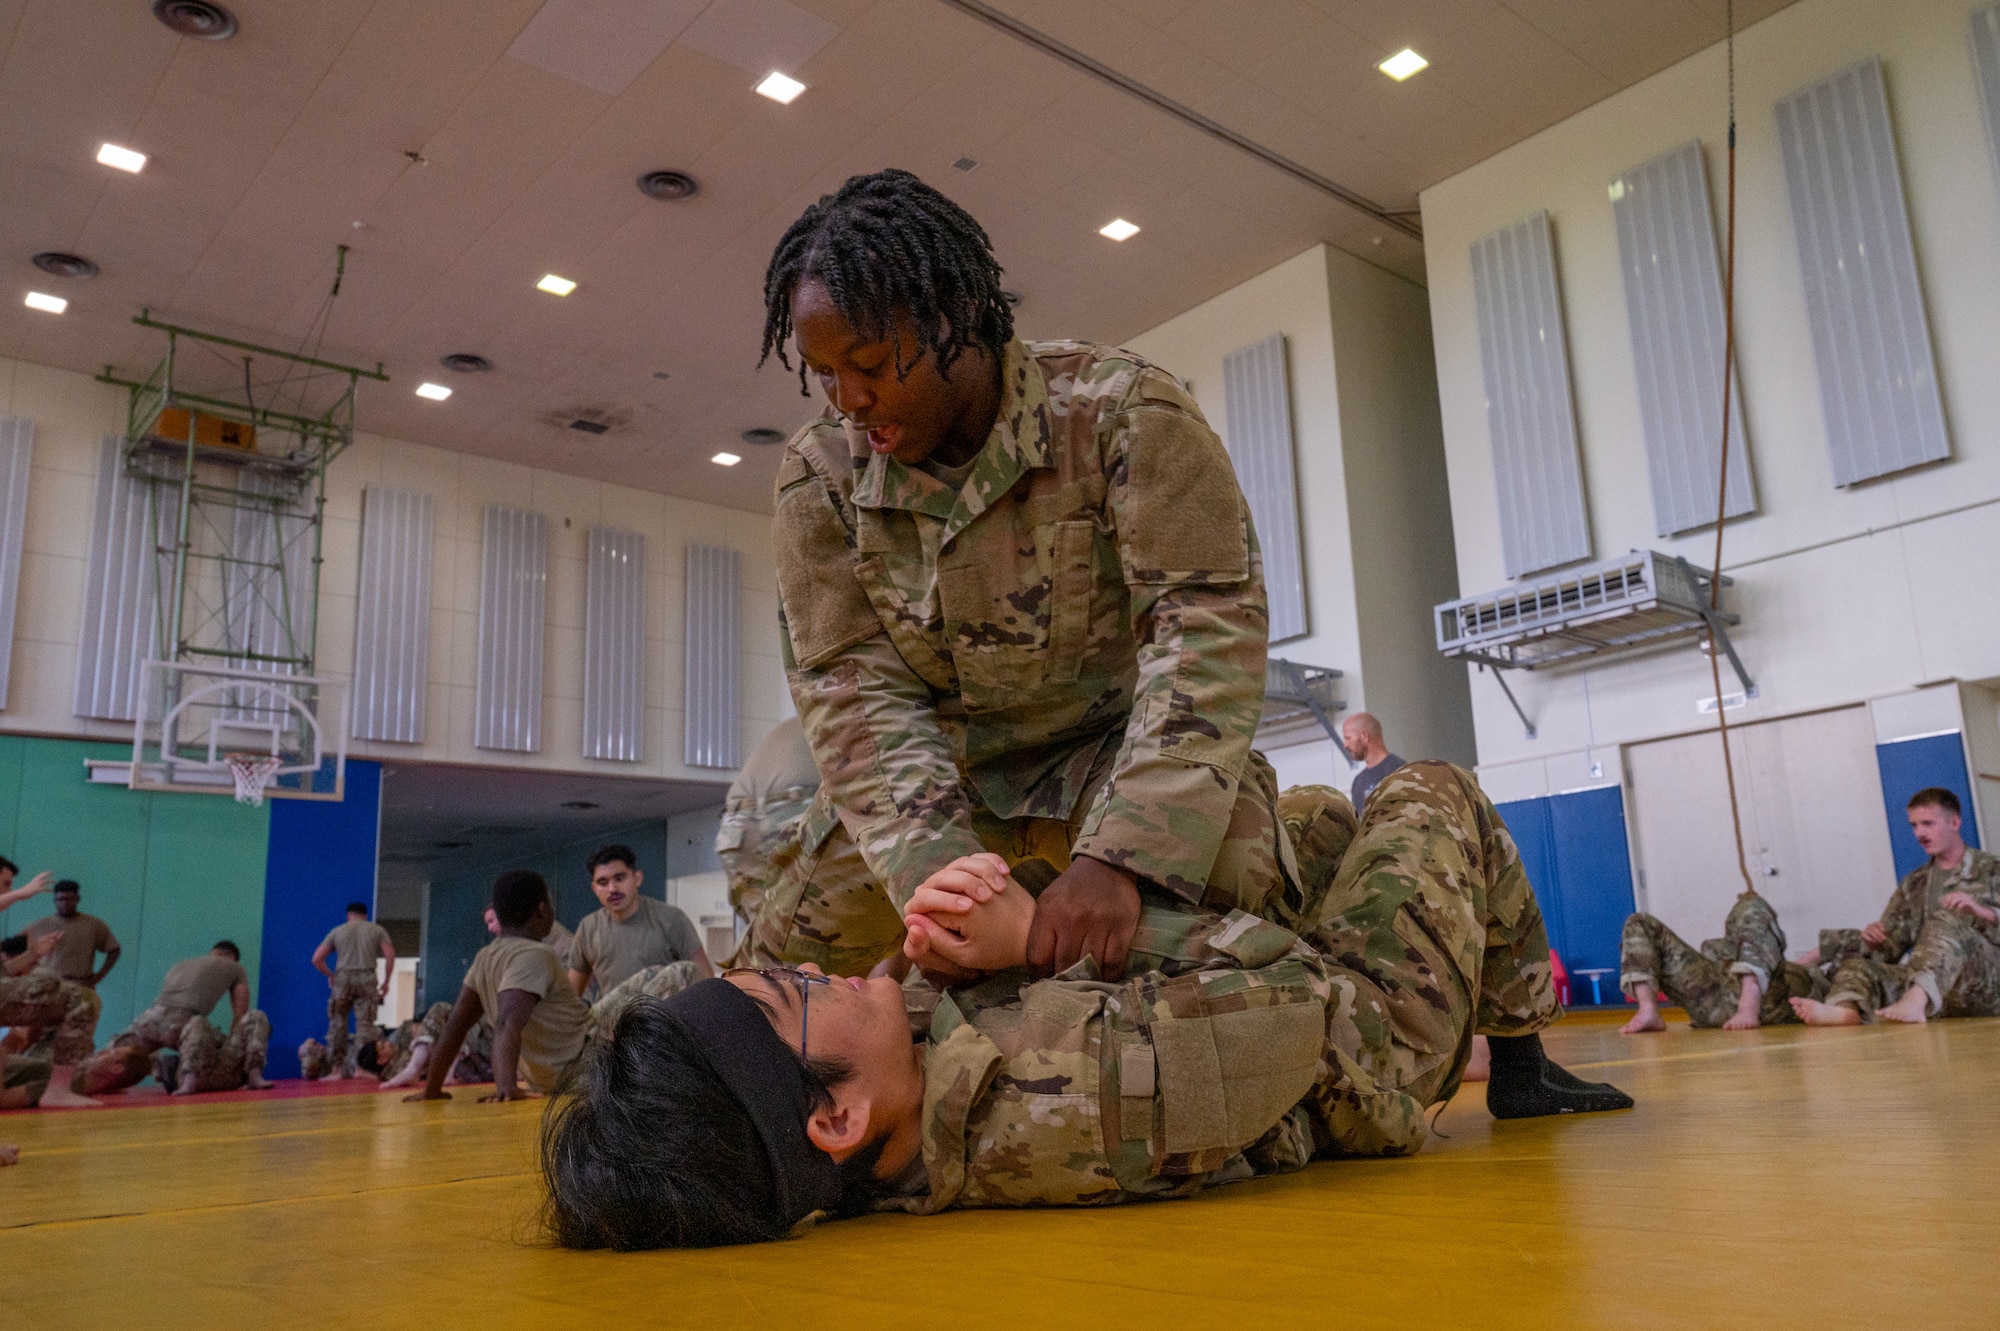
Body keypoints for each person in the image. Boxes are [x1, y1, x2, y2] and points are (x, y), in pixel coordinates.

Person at [539, 762, 1633, 1250]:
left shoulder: (887, 1118)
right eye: (798, 990)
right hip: (1359, 1045)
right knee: (1427, 790)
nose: (819, 970)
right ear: (835, 1116)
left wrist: (941, 960)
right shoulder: (1069, 1091)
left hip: (1267, 1013)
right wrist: (1034, 936)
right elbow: (1295, 991)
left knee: (1307, 814)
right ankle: (1518, 1057)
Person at [745, 168, 1281, 984]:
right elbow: (855, 699)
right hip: (943, 780)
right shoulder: (820, 477)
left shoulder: (1125, 412)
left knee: (1237, 903)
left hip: (1112, 756)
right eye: (823, 372)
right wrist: (946, 883)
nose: (847, 399)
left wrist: (1123, 854)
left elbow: (1206, 635)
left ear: (954, 316)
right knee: (779, 982)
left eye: (868, 362)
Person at [1791, 788, 2000, 1026]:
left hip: (1986, 986)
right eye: (1914, 825)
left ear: (1954, 822)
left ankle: (1916, 1001)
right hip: (1937, 989)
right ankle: (1845, 1010)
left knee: (1948, 919)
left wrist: (1983, 912)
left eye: (1928, 824)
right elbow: (1890, 948)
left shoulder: (1992, 870)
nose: (1920, 833)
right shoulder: (1915, 883)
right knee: (1858, 966)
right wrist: (1874, 939)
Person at [408, 870, 589, 1104]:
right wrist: (506, 1087)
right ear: (543, 909)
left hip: (550, 1081)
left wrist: (431, 1089)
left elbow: (456, 1025)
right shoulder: (538, 953)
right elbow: (507, 1021)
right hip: (588, 1067)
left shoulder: (486, 956)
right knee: (638, 984)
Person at [74, 941, 272, 1095]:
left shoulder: (182, 964)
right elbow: (240, 1013)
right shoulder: (235, 967)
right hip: (183, 1022)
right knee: (242, 1026)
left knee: (121, 1056)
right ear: (233, 957)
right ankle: (252, 1075)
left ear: (212, 952)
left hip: (150, 1020)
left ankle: (72, 1081)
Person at [1617, 891, 1829, 1032]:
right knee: (1640, 922)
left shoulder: (1826, 976)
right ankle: (1648, 1009)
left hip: (1768, 1002)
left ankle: (1748, 1004)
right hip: (1711, 997)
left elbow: (1838, 946)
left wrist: (1797, 965)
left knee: (1751, 904)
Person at [718, 718, 821, 936]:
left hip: (736, 823)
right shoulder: (871, 711)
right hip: (789, 809)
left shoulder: (803, 718)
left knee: (764, 935)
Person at [567, 846, 710, 999]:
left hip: (663, 1012)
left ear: (637, 879)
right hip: (611, 1013)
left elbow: (706, 982)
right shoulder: (588, 927)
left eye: (620, 878)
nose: (612, 889)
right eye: (603, 882)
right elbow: (570, 996)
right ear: (594, 888)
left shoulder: (672, 919)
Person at [1, 930, 101, 1108]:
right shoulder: (37, 978)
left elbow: (27, 1036)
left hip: (48, 1046)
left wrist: (28, 956)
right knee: (82, 999)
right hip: (43, 1047)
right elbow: (24, 1037)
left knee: (41, 1070)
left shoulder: (37, 974)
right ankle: (59, 1090)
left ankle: (61, 1088)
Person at [312, 902, 393, 1079]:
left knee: (337, 1023)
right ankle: (361, 1068)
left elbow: (317, 958)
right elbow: (389, 955)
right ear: (366, 916)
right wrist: (386, 982)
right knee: (365, 1026)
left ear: (348, 916)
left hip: (343, 978)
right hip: (367, 977)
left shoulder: (337, 931)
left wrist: (331, 974)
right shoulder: (377, 930)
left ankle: (336, 1070)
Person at [26, 880, 120, 990]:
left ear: (77, 899)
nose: (65, 903)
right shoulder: (40, 926)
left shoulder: (93, 925)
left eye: (70, 899)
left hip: (81, 985)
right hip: (49, 986)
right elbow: (19, 952)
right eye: (61, 899)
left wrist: (98, 977)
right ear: (55, 901)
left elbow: (114, 950)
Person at [1341, 713, 1405, 812]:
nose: (1345, 745)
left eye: (1348, 738)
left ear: (1364, 736)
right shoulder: (1358, 782)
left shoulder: (1398, 771)